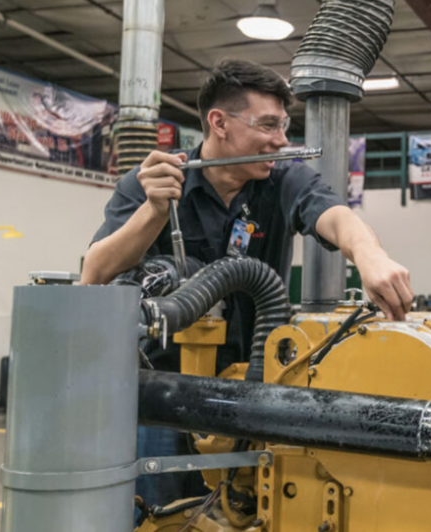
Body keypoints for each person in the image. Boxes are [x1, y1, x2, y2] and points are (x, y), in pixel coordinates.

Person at [82, 59, 414, 512]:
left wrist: (370, 255)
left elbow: (336, 216)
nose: (281, 140)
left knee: (245, 514)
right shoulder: (153, 182)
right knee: (154, 514)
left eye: (284, 126)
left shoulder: (282, 178)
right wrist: (154, 211)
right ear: (219, 122)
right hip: (161, 394)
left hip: (249, 389)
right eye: (268, 125)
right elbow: (94, 274)